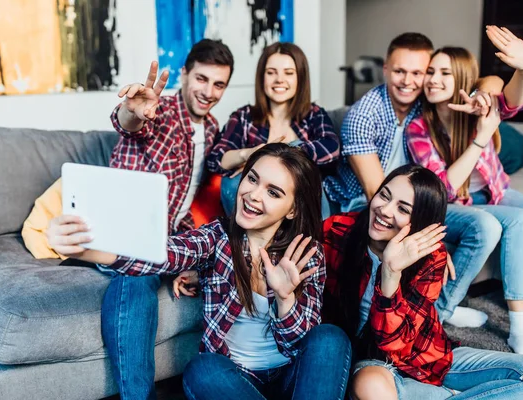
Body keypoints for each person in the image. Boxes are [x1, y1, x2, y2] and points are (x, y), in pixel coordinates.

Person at [47, 143, 352, 400]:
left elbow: (297, 345)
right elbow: (163, 254)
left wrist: (285, 300)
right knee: (203, 368)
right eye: (252, 179)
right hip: (231, 380)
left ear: (293, 209)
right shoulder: (217, 237)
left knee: (330, 337)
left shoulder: (306, 255)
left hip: (293, 380)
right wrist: (85, 249)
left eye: (273, 192)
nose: (254, 195)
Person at [322, 164, 523, 400]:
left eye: (403, 209)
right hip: (375, 364)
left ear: (421, 222)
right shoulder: (336, 231)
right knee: (371, 387)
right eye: (384, 196)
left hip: (427, 358)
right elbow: (389, 347)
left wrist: (391, 273)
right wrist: (390, 270)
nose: (385, 210)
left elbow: (404, 345)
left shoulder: (433, 255)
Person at [406, 26, 523, 359]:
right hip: (451, 204)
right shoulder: (418, 128)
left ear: (462, 78)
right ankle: (519, 328)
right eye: (431, 72)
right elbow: (445, 188)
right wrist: (482, 136)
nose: (433, 79)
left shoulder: (481, 103)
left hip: (494, 192)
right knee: (520, 222)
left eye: (444, 73)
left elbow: (512, 97)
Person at [323, 32, 499, 328]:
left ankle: (441, 311)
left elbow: (488, 85)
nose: (408, 81)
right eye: (399, 71)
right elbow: (376, 196)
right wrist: (431, 241)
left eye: (417, 72)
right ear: (386, 70)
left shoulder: (426, 107)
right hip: (365, 203)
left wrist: (485, 94)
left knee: (485, 225)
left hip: (413, 202)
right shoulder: (362, 117)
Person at [98, 39, 234, 399]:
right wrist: (132, 111)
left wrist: (192, 262)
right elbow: (130, 124)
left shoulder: (213, 129)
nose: (208, 92)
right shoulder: (159, 111)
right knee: (136, 277)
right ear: (186, 74)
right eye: (201, 79)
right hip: (124, 233)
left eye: (219, 84)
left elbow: (184, 205)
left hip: (165, 240)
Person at [206, 42, 340, 217]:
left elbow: (332, 148)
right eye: (271, 73)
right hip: (258, 212)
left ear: (300, 77)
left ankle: (310, 242)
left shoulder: (313, 115)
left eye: (289, 73)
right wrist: (249, 154)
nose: (279, 80)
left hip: (300, 211)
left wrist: (280, 153)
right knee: (231, 182)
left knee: (297, 147)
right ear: (262, 77)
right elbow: (215, 159)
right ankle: (248, 240)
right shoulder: (244, 117)